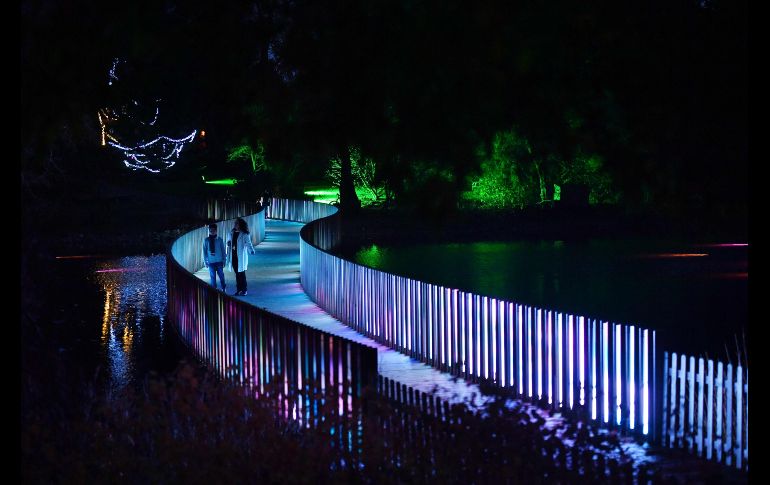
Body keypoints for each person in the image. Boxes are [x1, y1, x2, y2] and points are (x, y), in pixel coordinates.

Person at [226, 217, 256, 295]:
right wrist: (228, 243)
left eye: (236, 223)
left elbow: (248, 243)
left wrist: (251, 250)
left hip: (241, 257)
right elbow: (228, 240)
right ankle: (239, 289)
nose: (235, 224)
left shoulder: (244, 234)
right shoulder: (231, 232)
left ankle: (244, 290)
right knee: (237, 274)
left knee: (241, 274)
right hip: (233, 256)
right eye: (235, 223)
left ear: (240, 225)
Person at [202, 223, 227, 292]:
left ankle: (223, 287)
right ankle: (214, 290)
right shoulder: (206, 240)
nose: (212, 232)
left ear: (216, 230)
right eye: (211, 230)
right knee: (212, 277)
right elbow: (204, 252)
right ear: (209, 231)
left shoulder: (219, 240)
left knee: (221, 276)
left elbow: (223, 250)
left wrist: (224, 260)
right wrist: (205, 262)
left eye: (214, 230)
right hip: (211, 262)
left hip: (219, 261)